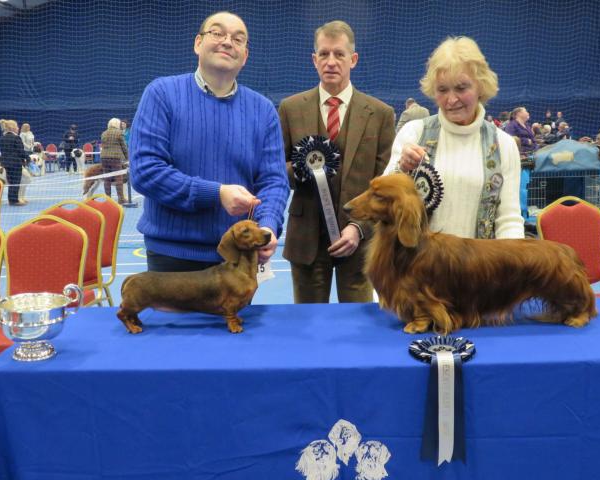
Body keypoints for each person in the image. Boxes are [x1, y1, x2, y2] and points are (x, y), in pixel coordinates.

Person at [129, 11, 289, 272]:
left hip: (239, 260)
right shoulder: (161, 94)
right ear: (197, 43)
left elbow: (274, 182)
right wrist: (216, 194)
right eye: (217, 33)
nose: (228, 42)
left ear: (245, 56)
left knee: (235, 317)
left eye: (238, 39)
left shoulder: (264, 110)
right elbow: (145, 172)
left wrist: (267, 225)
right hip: (171, 258)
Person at [278, 20, 395, 303]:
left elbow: (385, 186)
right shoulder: (290, 108)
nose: (331, 62)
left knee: (358, 329)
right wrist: (304, 168)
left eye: (339, 54)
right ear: (314, 59)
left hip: (360, 242)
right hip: (306, 241)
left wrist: (358, 228)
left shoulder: (380, 114)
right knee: (307, 329)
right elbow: (276, 173)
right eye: (324, 54)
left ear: (353, 59)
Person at [386, 36, 524, 240]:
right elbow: (383, 202)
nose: (451, 100)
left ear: (480, 86)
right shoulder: (414, 133)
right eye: (442, 89)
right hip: (419, 269)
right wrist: (401, 169)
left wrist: (513, 266)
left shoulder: (504, 144)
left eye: (461, 88)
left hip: (480, 270)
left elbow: (509, 219)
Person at [0, 119, 28, 206]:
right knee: (16, 182)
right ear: (13, 128)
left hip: (5, 163)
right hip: (15, 163)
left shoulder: (2, 138)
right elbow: (20, 151)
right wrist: (27, 158)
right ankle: (14, 200)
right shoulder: (16, 138)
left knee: (11, 182)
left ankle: (11, 199)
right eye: (17, 126)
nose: (18, 128)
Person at [100, 117, 128, 204]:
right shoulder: (119, 133)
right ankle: (121, 199)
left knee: (107, 179)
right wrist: (127, 158)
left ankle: (108, 200)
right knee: (119, 178)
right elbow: (124, 147)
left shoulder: (103, 133)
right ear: (117, 124)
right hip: (116, 158)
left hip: (104, 158)